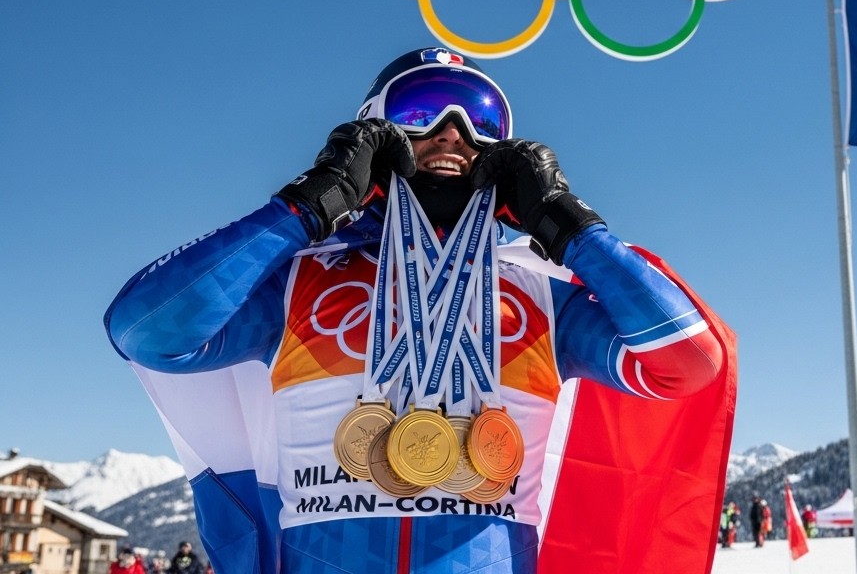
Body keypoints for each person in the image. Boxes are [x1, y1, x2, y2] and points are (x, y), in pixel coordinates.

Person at [106, 48, 728, 573]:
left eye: (482, 118)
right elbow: (145, 330)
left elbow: (690, 363)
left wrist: (567, 225)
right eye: (421, 108)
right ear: (373, 134)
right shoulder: (297, 281)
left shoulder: (542, 297)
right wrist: (309, 204)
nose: (453, 130)